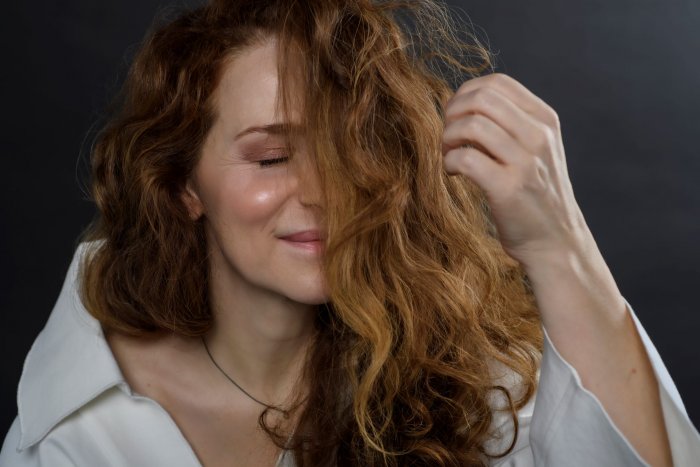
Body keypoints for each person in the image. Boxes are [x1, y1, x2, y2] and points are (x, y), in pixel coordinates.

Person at [2, 0, 699, 465]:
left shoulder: (465, 381)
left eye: (348, 150)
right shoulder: (73, 432)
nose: (323, 191)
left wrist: (559, 243)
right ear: (185, 185)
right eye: (271, 158)